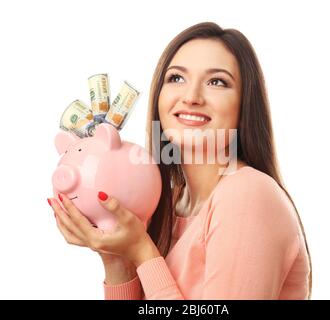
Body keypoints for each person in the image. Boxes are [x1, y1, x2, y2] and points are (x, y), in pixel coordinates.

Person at [48, 22, 312, 300]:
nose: (191, 97)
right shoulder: (170, 203)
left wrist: (143, 251)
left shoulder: (247, 194)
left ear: (245, 103)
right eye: (176, 78)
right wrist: (117, 259)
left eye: (217, 82)